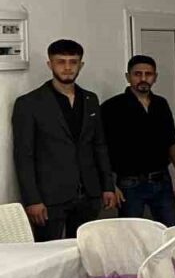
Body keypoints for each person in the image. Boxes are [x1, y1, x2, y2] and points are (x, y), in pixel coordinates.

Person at [12, 39, 116, 241]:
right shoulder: (29, 103)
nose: (67, 67)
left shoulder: (90, 99)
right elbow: (24, 155)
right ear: (50, 64)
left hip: (89, 193)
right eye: (61, 62)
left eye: (73, 62)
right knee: (49, 253)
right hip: (50, 197)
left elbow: (99, 146)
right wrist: (32, 199)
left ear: (81, 65)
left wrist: (107, 186)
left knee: (85, 250)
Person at [102, 55, 175, 226]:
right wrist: (109, 185)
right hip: (129, 184)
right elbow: (101, 148)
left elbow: (171, 141)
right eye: (137, 74)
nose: (143, 78)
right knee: (133, 234)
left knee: (169, 231)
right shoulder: (112, 107)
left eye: (148, 74)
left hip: (161, 180)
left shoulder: (161, 104)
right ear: (128, 77)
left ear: (155, 77)